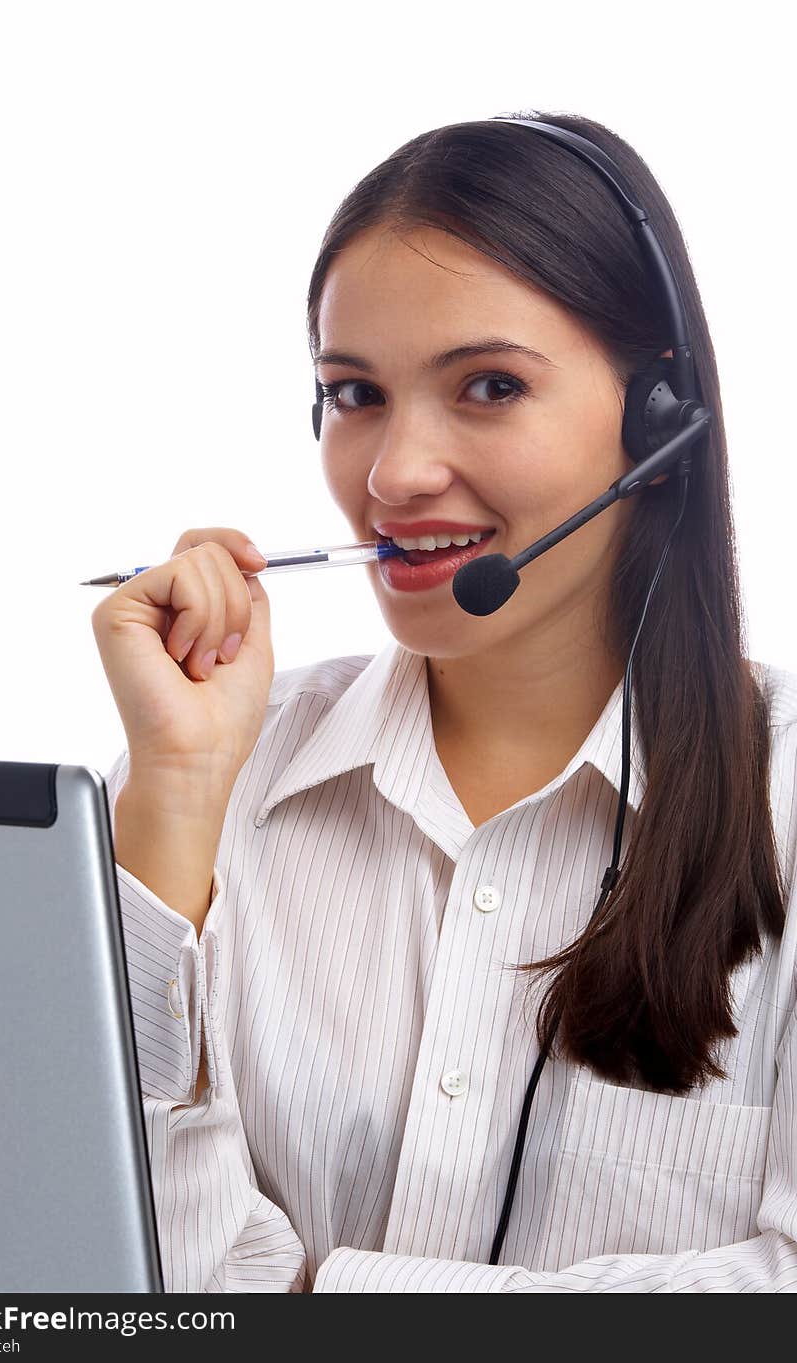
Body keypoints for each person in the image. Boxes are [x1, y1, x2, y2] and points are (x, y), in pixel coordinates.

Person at [90, 112, 797, 1292]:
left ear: (655, 419)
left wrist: (326, 1293)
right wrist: (170, 793)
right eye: (354, 391)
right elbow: (90, 1270)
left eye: (487, 385)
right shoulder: (210, 779)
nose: (392, 473)